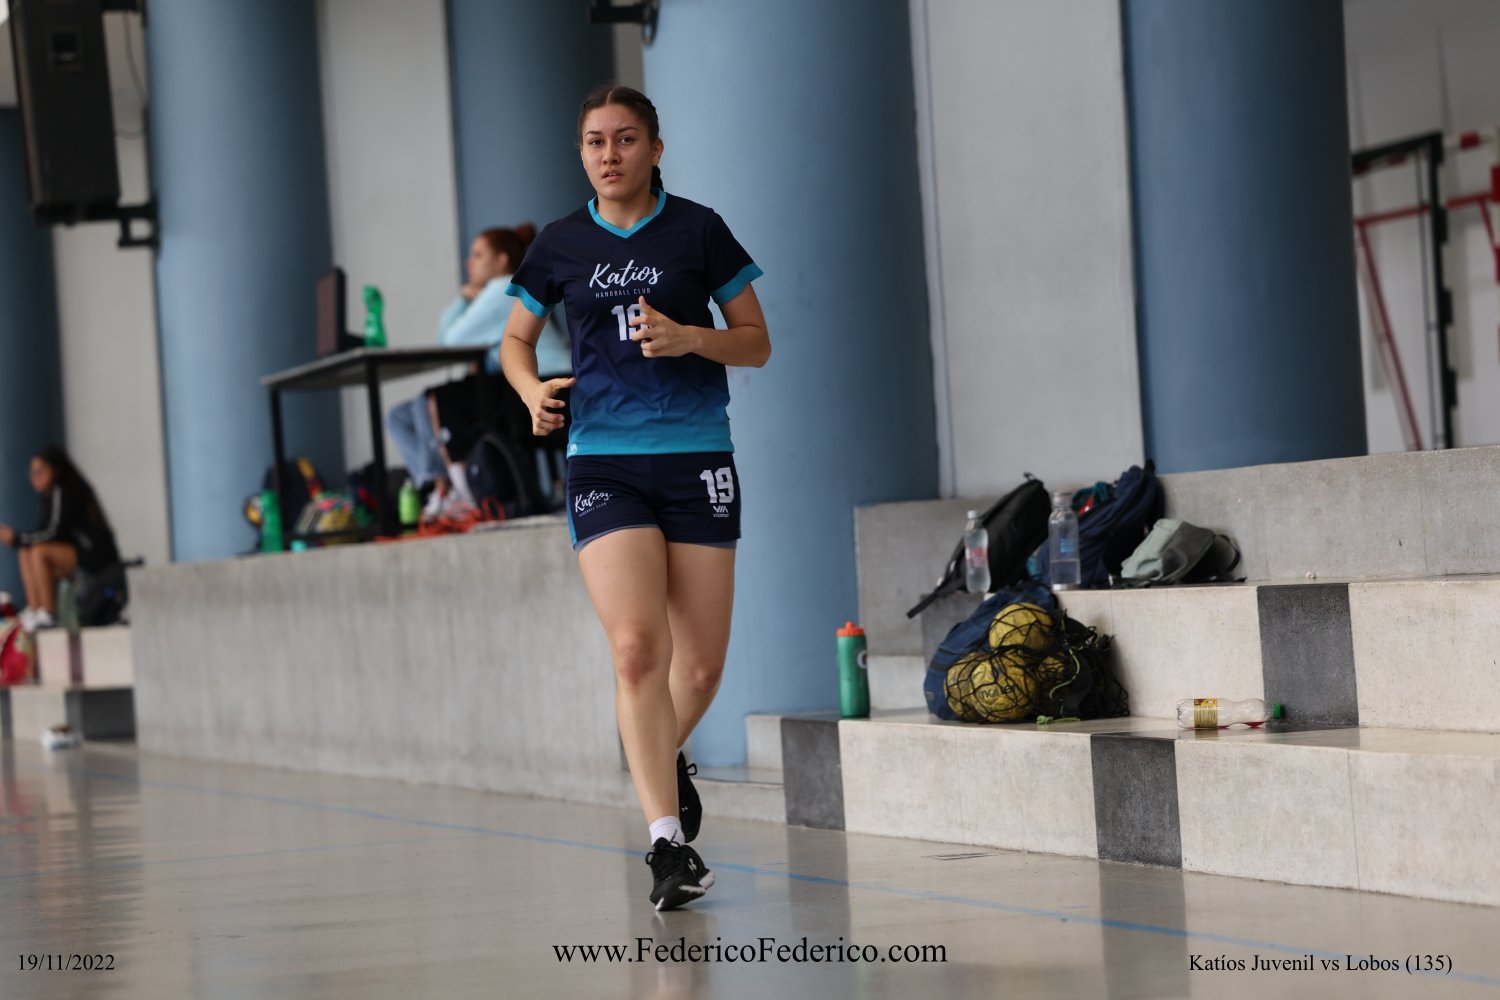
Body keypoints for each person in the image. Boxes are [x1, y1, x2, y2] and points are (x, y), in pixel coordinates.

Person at [500, 85, 770, 911]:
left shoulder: (700, 229)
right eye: (595, 141)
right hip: (604, 464)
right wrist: (529, 391)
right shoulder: (559, 243)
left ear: (656, 148)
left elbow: (757, 342)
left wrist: (692, 338)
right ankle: (667, 845)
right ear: (581, 154)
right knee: (636, 653)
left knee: (701, 666)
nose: (609, 154)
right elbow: (515, 340)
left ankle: (659, 753)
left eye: (625, 139)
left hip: (698, 459)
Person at [386, 225, 570, 518]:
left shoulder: (502, 288)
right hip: (533, 383)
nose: (469, 262)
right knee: (403, 414)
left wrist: (463, 300)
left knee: (440, 399)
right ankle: (440, 487)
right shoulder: (506, 288)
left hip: (546, 383)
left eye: (478, 255)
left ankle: (460, 494)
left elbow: (449, 342)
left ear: (501, 260)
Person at [0, 446, 120, 632]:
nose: (35, 477)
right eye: (32, 472)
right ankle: (35, 609)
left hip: (97, 558)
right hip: (75, 552)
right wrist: (20, 541)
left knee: (38, 552)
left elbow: (53, 533)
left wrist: (17, 538)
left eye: (41, 471)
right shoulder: (49, 495)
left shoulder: (65, 490)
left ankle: (48, 612)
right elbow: (45, 534)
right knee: (25, 551)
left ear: (55, 470)